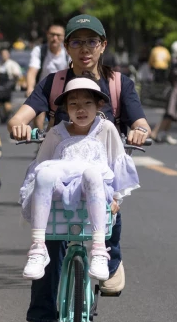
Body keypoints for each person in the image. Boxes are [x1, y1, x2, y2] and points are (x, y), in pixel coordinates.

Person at [9, 14, 153, 322]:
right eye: (76, 42)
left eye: (91, 41)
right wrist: (18, 124)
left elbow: (141, 120)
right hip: (61, 175)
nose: (84, 49)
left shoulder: (118, 84)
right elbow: (23, 114)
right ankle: (41, 320)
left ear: (103, 46)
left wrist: (139, 131)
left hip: (100, 171)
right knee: (51, 240)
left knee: (109, 207)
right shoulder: (54, 83)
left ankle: (110, 257)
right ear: (66, 47)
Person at [19, 77, 140, 282]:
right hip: (60, 194)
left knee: (92, 173)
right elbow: (38, 168)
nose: (81, 109)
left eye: (87, 103)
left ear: (99, 105)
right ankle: (38, 248)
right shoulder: (56, 133)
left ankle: (99, 250)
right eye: (73, 104)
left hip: (94, 191)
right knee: (45, 173)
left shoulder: (106, 129)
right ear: (66, 108)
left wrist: (116, 198)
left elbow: (117, 164)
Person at [26, 23, 69, 88]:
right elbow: (32, 71)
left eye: (58, 35)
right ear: (47, 34)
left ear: (64, 37)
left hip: (63, 91)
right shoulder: (39, 51)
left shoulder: (68, 52)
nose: (55, 38)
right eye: (52, 34)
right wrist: (30, 88)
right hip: (43, 91)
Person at [0, 47, 24, 118]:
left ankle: (8, 111)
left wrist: (15, 75)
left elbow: (18, 74)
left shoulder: (13, 64)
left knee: (8, 102)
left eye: (6, 54)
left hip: (9, 86)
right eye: (2, 54)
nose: (4, 55)